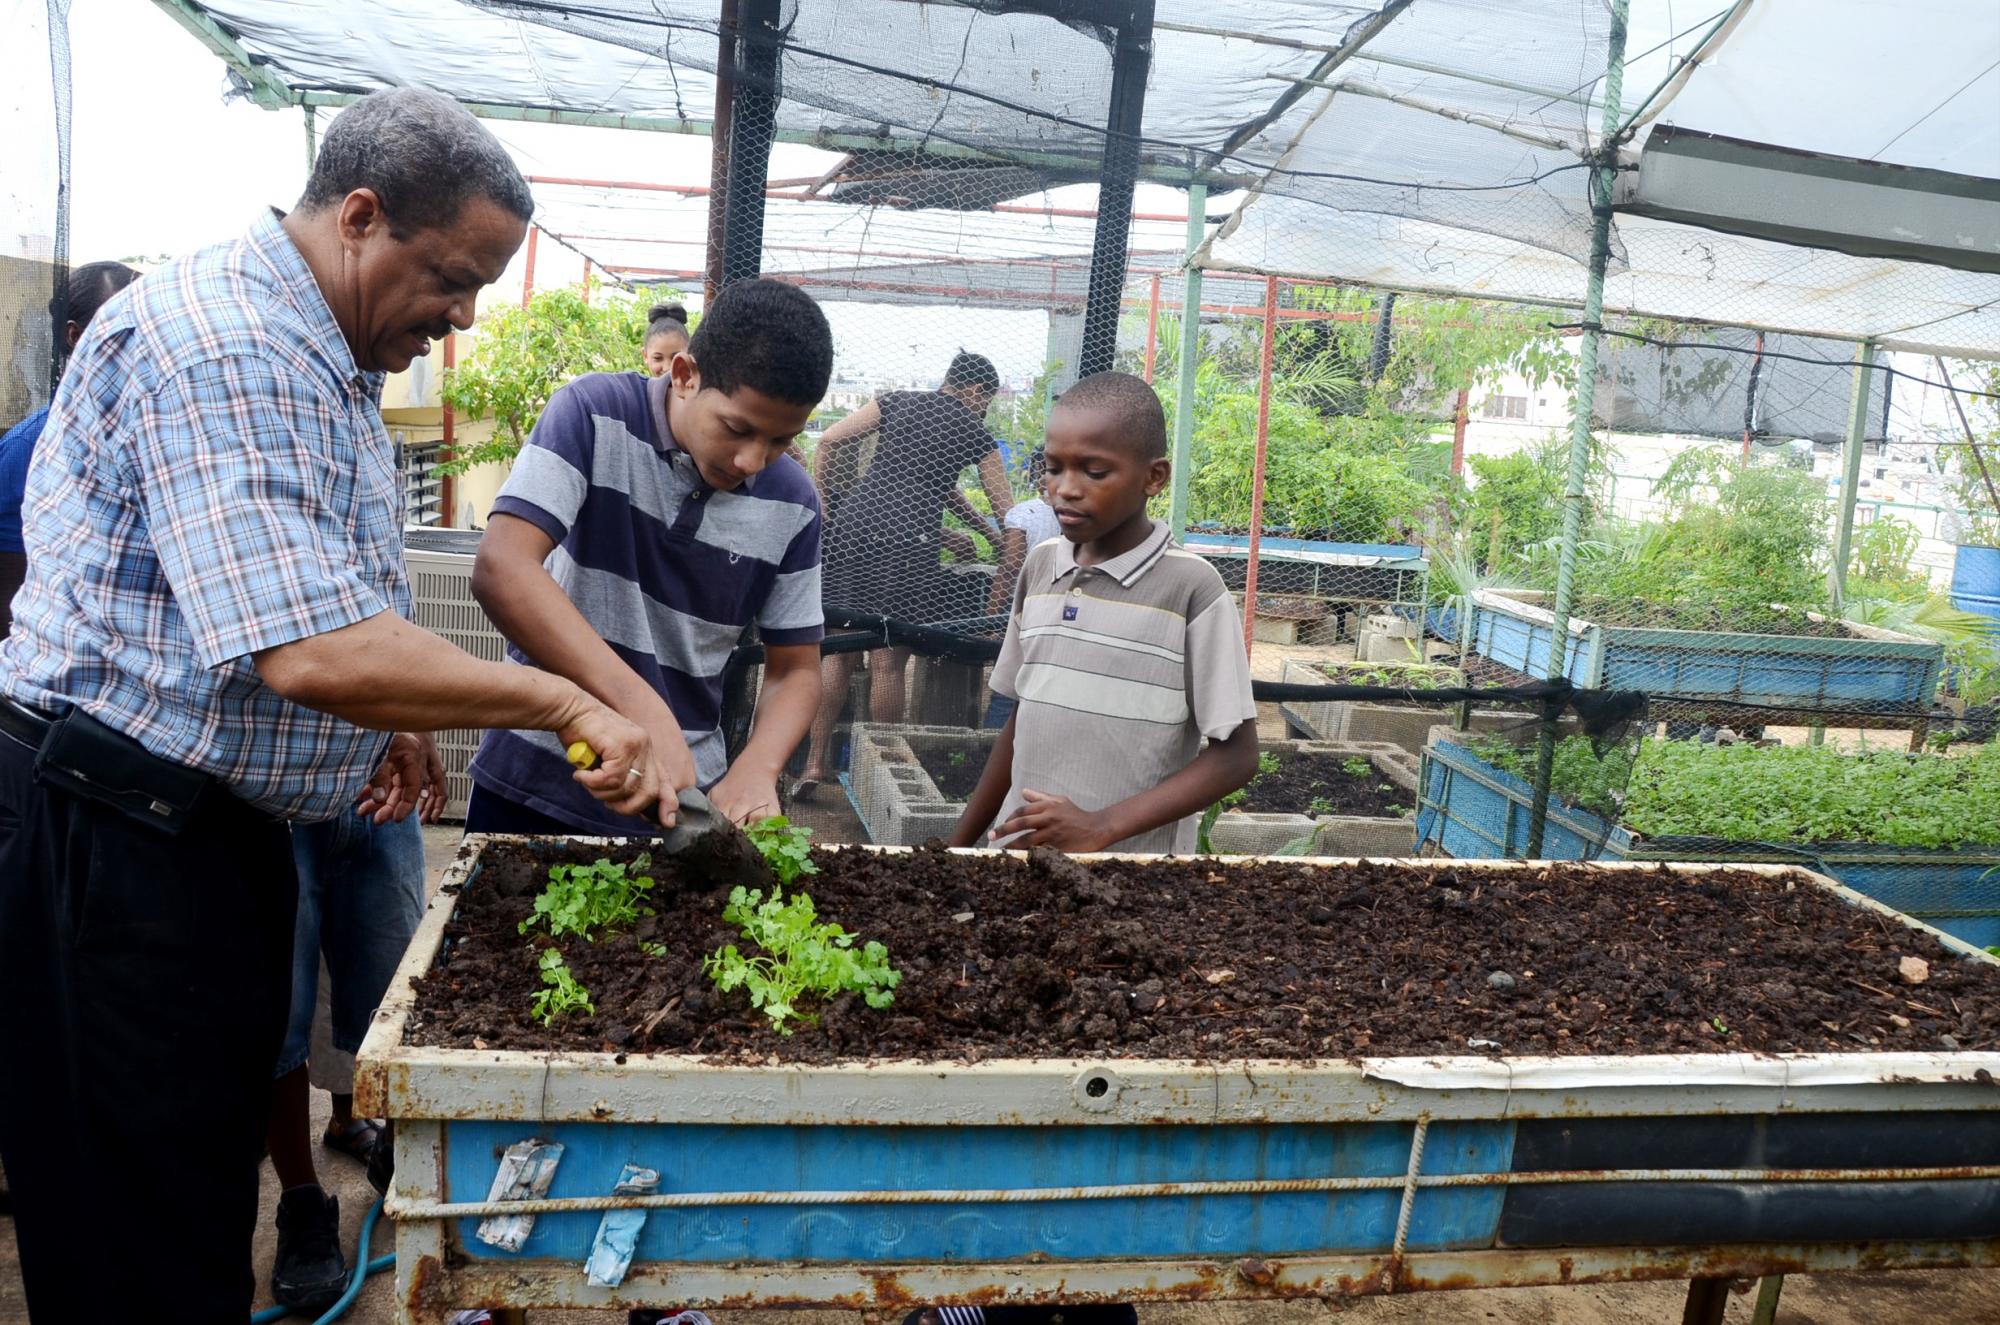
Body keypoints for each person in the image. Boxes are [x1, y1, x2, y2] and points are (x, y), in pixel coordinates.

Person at [0, 87, 661, 1323]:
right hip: (114, 840)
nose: (463, 316)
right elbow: (306, 649)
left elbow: (308, 582)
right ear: (360, 216)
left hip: (201, 837)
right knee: (131, 1233)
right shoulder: (226, 341)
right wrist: (560, 696)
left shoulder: (323, 348)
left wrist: (391, 709)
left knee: (194, 1191)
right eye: (452, 278)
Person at [465, 277, 835, 835]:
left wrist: (757, 767)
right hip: (535, 774)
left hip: (678, 800)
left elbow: (796, 667)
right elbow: (503, 567)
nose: (752, 461)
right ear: (684, 375)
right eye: (737, 429)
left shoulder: (794, 502)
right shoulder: (593, 413)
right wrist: (640, 705)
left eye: (781, 441)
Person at [952, 370, 1259, 855]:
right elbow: (1021, 718)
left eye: (1094, 472)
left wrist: (1101, 827)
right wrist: (958, 847)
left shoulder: (1191, 588)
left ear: (1154, 477)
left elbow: (1237, 756)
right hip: (1017, 861)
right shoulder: (1040, 566)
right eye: (1053, 468)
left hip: (1130, 875)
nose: (1065, 489)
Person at [798, 351, 1014, 797]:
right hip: (909, 542)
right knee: (888, 660)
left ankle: (813, 765)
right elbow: (1007, 509)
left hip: (854, 527)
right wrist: (1004, 538)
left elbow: (830, 440)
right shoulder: (974, 430)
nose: (983, 410)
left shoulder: (897, 401)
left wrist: (824, 502)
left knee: (838, 653)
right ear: (976, 391)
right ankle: (883, 777)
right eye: (987, 402)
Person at [265, 803, 437, 1312]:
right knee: (279, 1009)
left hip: (380, 799)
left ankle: (389, 1144)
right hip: (274, 802)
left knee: (396, 988)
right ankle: (301, 1199)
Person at [0, 261, 141, 636]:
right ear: (75, 336)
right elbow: (10, 589)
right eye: (126, 331)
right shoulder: (27, 447)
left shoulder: (160, 426)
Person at [642, 300, 691, 377]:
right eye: (658, 358)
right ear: (645, 355)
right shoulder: (632, 384)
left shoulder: (703, 384)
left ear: (689, 353)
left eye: (676, 358)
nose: (667, 368)